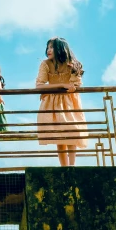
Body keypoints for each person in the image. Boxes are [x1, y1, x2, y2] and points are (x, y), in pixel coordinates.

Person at [35, 37, 88, 167]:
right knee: (59, 134)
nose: (49, 50)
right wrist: (62, 85)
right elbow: (39, 85)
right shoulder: (46, 64)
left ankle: (72, 165)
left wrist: (67, 86)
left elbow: (76, 85)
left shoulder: (73, 64)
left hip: (70, 102)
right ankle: (64, 167)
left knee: (71, 132)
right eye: (48, 47)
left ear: (61, 49)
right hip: (52, 102)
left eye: (52, 47)